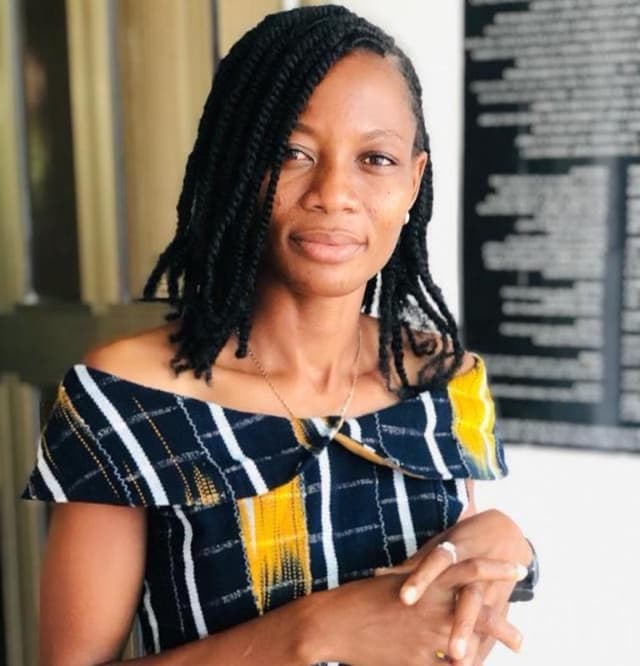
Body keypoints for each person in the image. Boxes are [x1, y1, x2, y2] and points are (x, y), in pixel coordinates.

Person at [22, 5, 537, 665]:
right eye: (292, 152)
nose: (333, 192)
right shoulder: (126, 399)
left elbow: (453, 622)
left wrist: (509, 554)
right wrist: (315, 630)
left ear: (413, 181)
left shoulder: (444, 381)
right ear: (237, 166)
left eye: (375, 158)